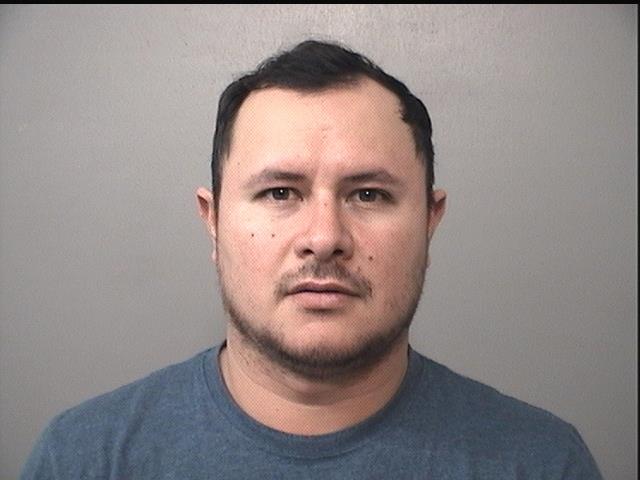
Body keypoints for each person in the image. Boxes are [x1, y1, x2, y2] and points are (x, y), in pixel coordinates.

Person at [21, 39, 603, 479]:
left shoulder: (541, 462)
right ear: (213, 220)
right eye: (280, 192)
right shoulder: (83, 458)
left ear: (430, 221)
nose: (324, 238)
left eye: (368, 195)